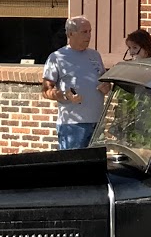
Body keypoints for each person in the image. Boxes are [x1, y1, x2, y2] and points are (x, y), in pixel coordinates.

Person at [41, 16, 108, 149]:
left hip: (97, 123)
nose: (89, 36)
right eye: (84, 32)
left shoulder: (95, 55)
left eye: (90, 31)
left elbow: (104, 80)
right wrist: (65, 96)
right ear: (71, 34)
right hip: (72, 125)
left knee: (96, 166)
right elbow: (45, 91)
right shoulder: (57, 57)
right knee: (73, 167)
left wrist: (107, 86)